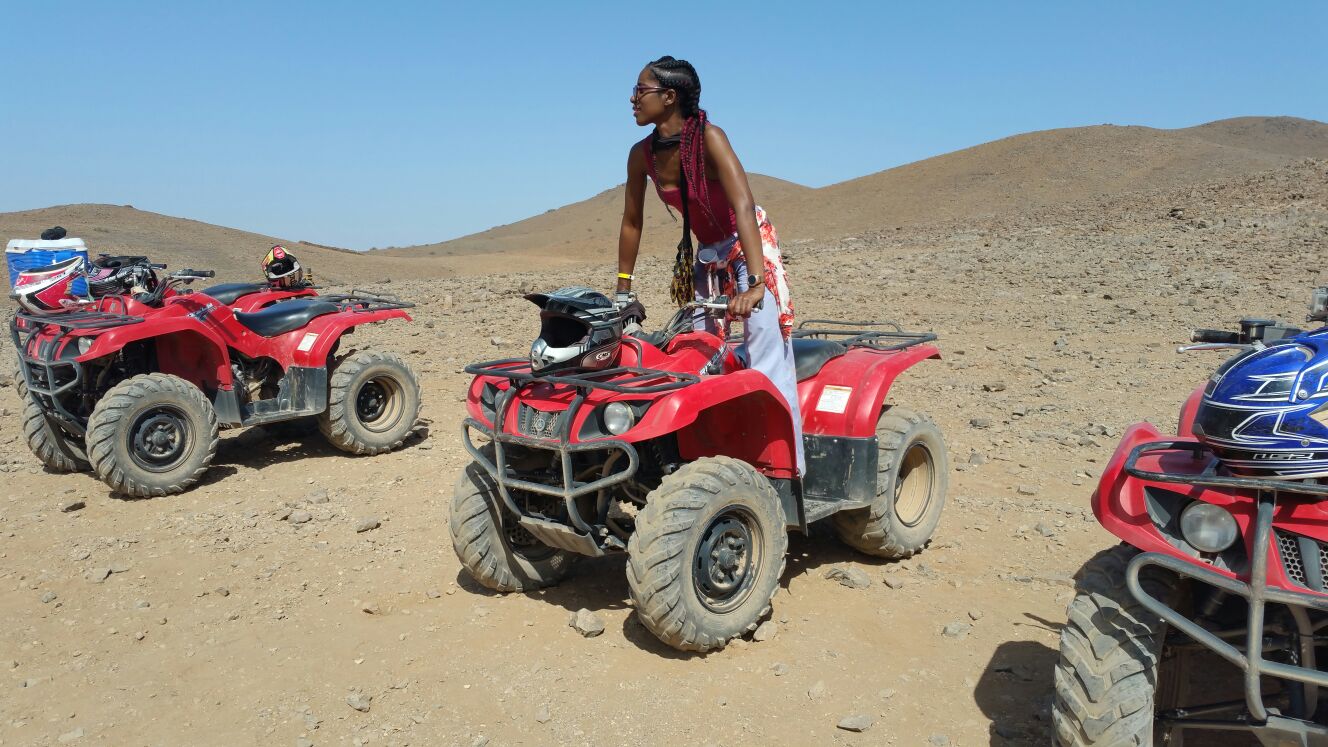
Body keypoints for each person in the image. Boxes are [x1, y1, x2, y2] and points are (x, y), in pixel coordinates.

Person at [616, 55, 803, 474]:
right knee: (701, 354)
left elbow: (742, 204)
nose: (632, 98)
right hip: (707, 256)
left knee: (767, 352)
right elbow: (632, 222)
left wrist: (755, 284)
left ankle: (785, 472)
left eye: (640, 90)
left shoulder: (710, 139)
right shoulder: (640, 154)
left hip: (748, 248)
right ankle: (712, 464)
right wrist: (622, 291)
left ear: (669, 97)